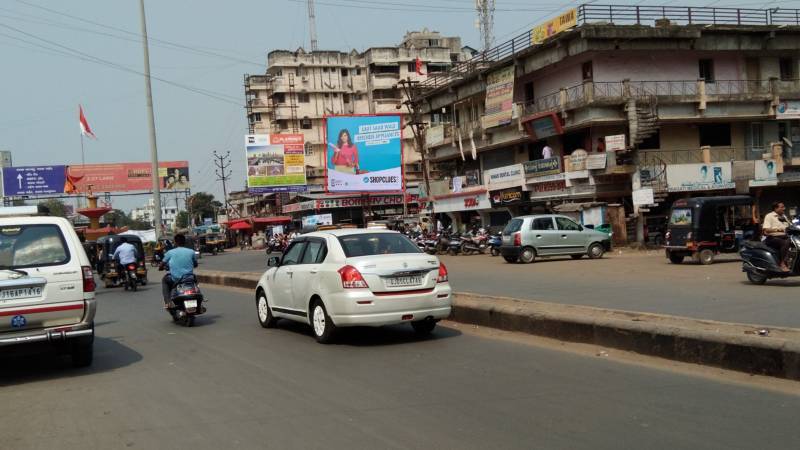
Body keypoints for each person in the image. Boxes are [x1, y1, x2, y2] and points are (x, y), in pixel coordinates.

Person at [161, 234, 198, 307]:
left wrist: (161, 268)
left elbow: (162, 264)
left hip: (176, 279)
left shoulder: (170, 252)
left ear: (175, 242)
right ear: (184, 242)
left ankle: (168, 302)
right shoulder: (191, 252)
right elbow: (195, 264)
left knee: (164, 280)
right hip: (189, 278)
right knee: (195, 281)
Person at [763, 201, 791, 272]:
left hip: (785, 236)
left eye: (784, 207)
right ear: (775, 208)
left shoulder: (784, 216)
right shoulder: (769, 216)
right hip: (772, 238)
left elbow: (790, 226)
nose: (784, 209)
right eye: (782, 207)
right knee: (785, 242)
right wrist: (778, 229)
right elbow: (766, 229)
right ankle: (783, 263)